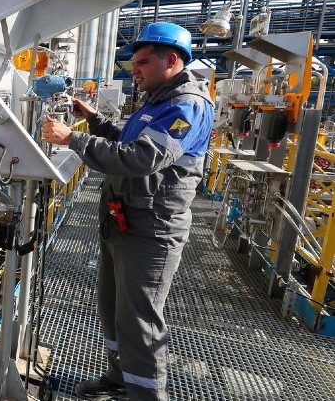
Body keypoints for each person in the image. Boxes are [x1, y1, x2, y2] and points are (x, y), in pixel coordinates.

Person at [41, 22, 214, 400]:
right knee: (113, 309)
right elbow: (127, 140)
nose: (134, 71)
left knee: (140, 322)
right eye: (134, 64)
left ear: (172, 60)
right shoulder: (157, 100)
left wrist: (73, 138)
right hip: (122, 222)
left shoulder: (186, 105)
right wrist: (95, 120)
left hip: (151, 230)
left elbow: (141, 158)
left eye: (143, 63)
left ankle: (146, 395)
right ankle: (121, 379)